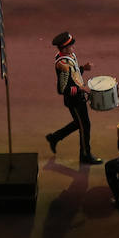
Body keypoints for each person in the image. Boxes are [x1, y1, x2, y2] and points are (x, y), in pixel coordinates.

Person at [44, 31, 101, 164]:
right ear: (64, 48)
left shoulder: (70, 56)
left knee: (79, 123)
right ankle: (85, 155)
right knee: (84, 126)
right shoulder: (63, 63)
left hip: (79, 98)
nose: (73, 47)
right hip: (74, 101)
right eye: (71, 45)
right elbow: (62, 89)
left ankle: (54, 137)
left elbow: (73, 74)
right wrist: (81, 88)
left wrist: (83, 68)